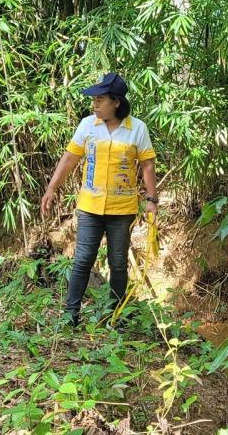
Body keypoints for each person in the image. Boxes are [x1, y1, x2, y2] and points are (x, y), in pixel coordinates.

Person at [41, 72, 159, 327]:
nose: (94, 105)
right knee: (83, 259)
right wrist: (52, 188)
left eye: (100, 100)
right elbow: (70, 158)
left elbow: (147, 165)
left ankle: (114, 315)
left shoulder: (136, 128)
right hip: (90, 207)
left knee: (118, 263)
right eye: (94, 100)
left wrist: (151, 200)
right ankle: (70, 315)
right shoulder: (87, 125)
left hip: (122, 209)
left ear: (116, 102)